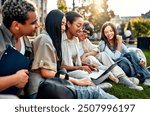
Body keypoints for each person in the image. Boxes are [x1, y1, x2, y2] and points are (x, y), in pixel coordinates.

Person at [31, 9, 117, 99]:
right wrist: (77, 81)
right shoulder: (45, 40)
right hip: (41, 90)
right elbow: (46, 72)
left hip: (49, 85)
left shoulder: (49, 39)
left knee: (99, 75)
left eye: (64, 24)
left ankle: (88, 86)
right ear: (53, 23)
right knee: (94, 91)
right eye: (62, 24)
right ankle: (89, 86)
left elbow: (53, 69)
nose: (64, 28)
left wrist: (84, 66)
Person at [0, 0, 38, 98]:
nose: (37, 26)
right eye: (33, 23)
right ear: (16, 25)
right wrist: (14, 79)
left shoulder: (25, 39)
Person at [99, 21, 150, 86]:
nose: (109, 33)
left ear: (114, 31)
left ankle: (146, 77)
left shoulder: (116, 40)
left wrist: (140, 59)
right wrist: (120, 42)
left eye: (111, 31)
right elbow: (115, 58)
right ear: (103, 34)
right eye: (106, 32)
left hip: (128, 65)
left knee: (132, 54)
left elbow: (129, 53)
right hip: (117, 66)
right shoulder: (102, 43)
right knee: (123, 59)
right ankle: (142, 76)